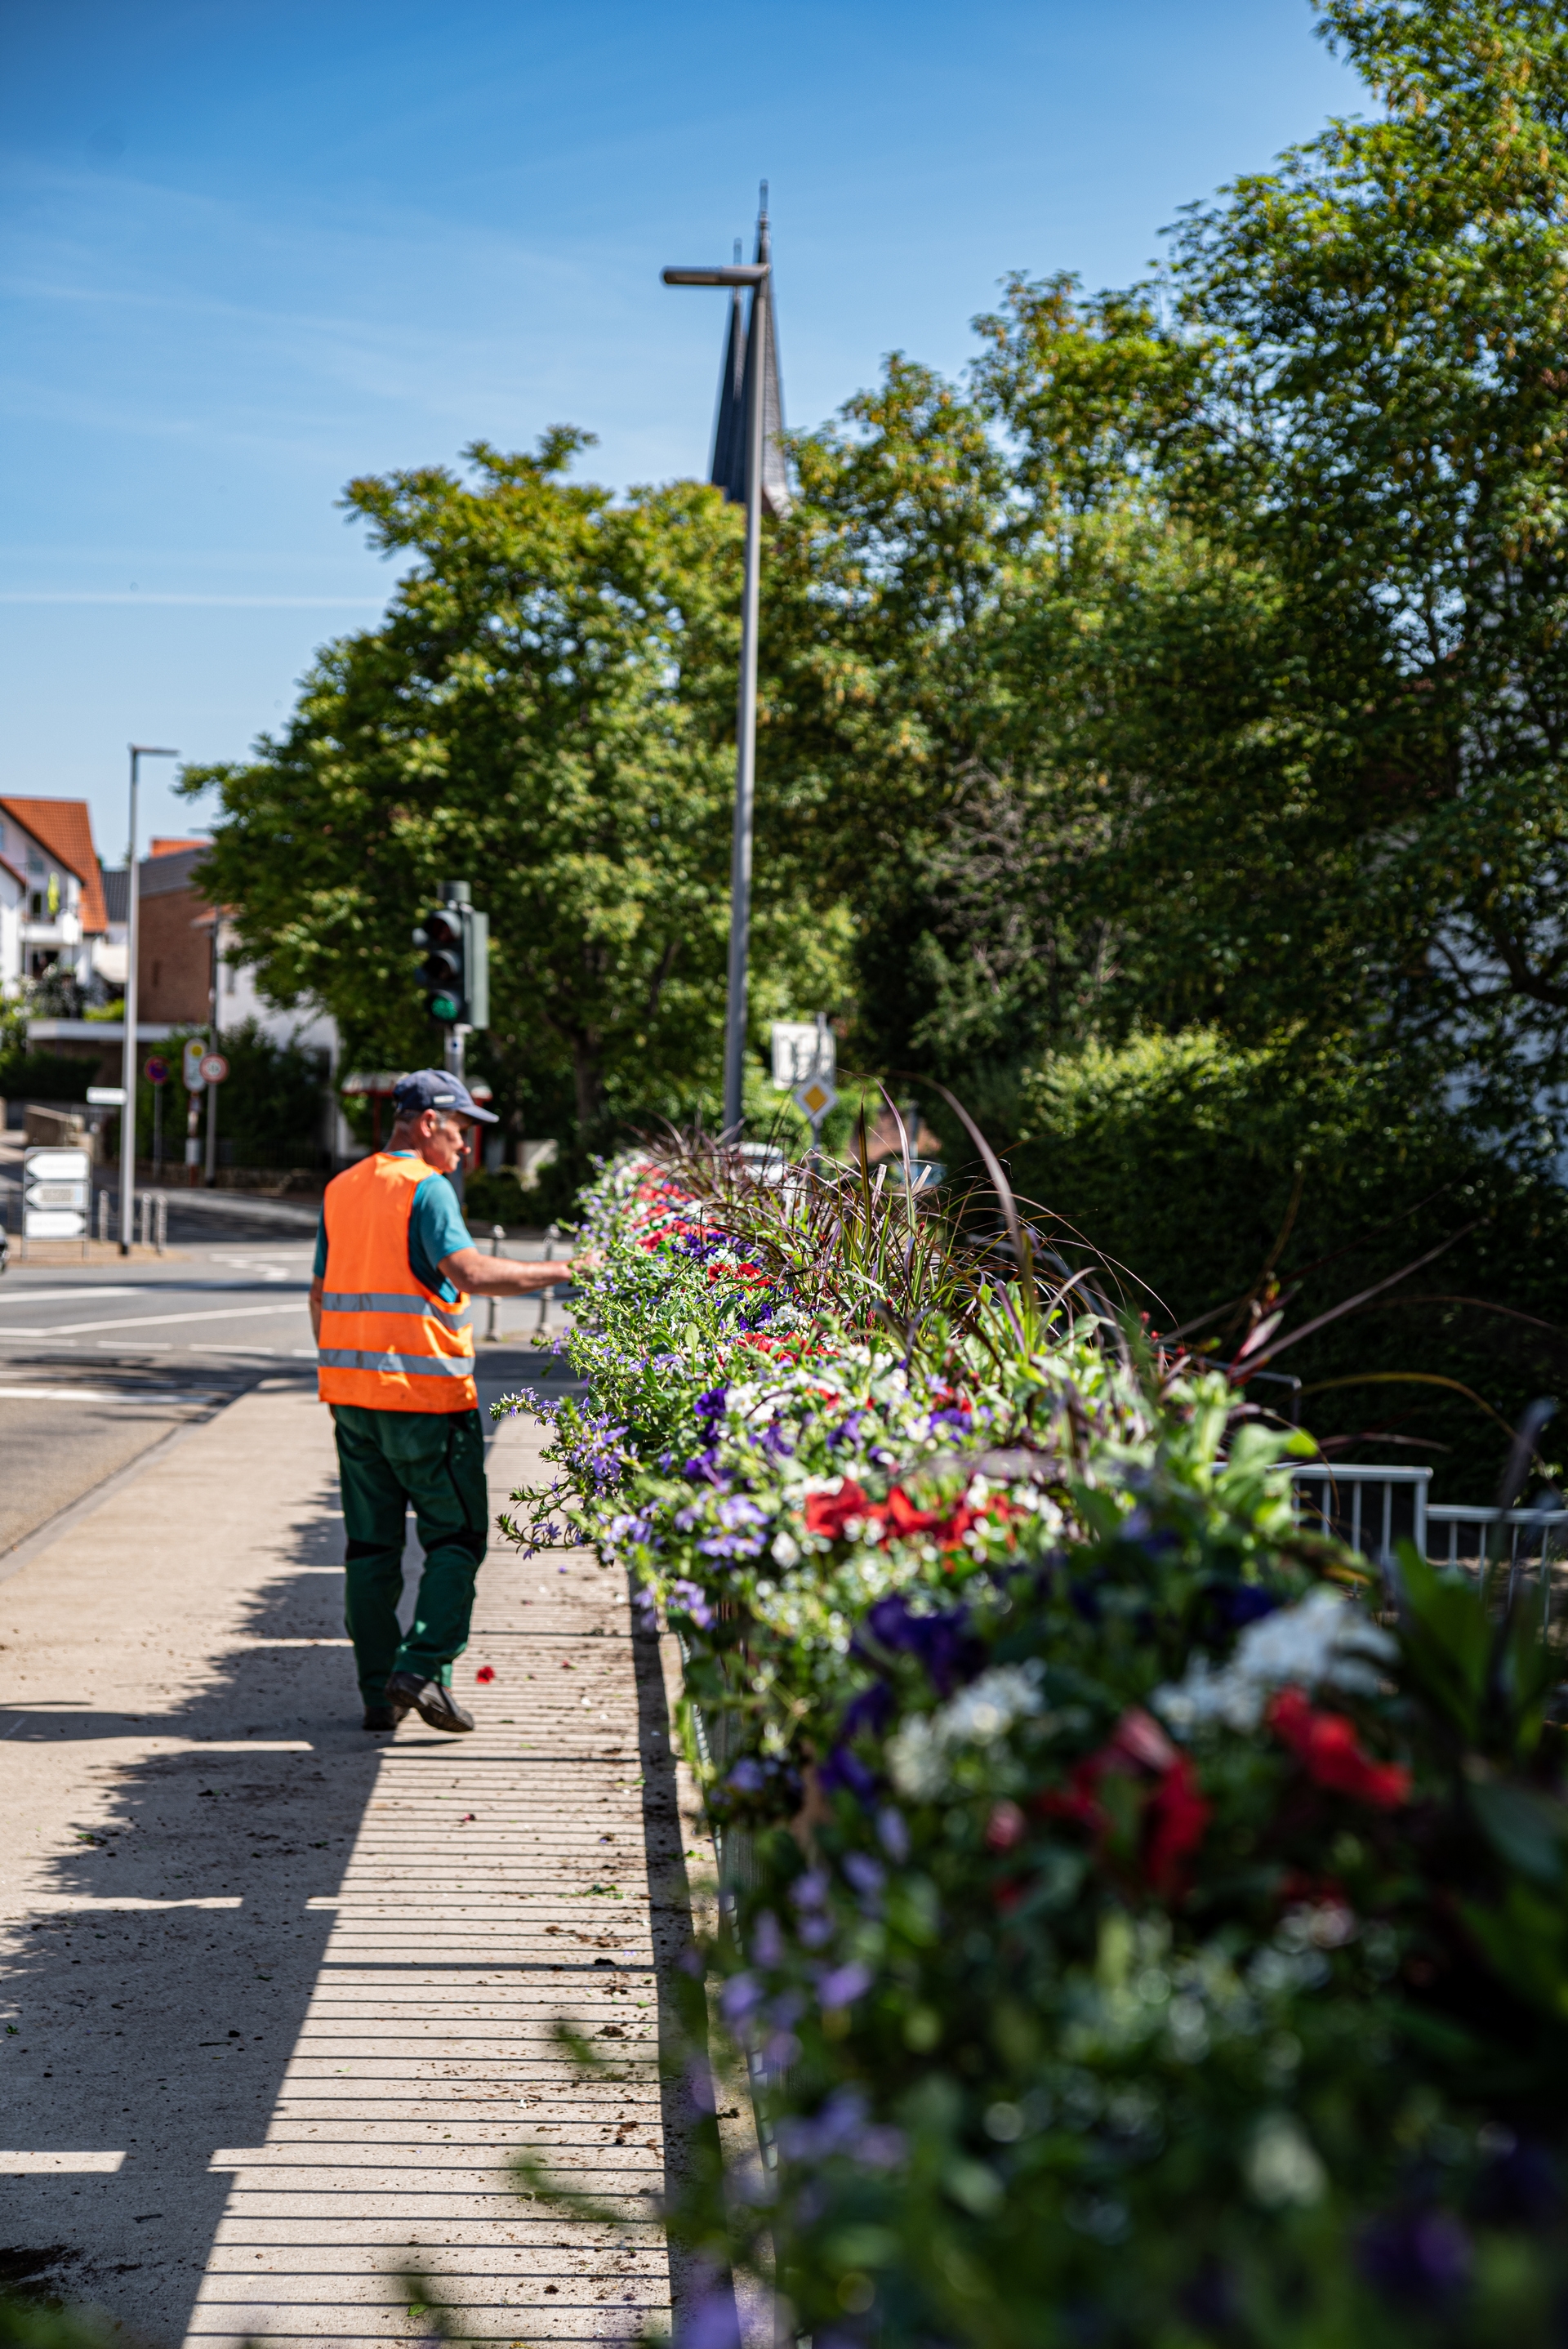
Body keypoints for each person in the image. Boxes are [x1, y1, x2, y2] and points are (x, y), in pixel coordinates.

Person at [309, 1070, 580, 1734]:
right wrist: (571, 1269)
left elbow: (319, 1295)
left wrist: (343, 1371)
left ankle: (380, 1695)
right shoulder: (427, 1191)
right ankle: (423, 1664)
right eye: (460, 1132)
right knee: (456, 1538)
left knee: (370, 1548)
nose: (465, 1149)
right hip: (426, 1401)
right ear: (428, 1123)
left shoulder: (342, 1188)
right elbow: (472, 1274)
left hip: (351, 1400)